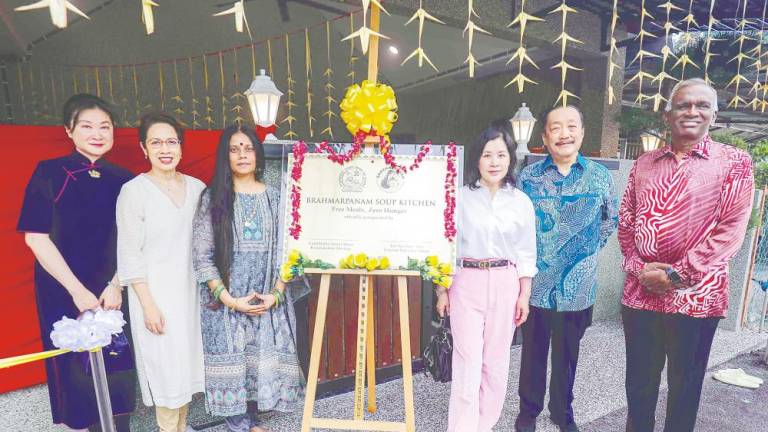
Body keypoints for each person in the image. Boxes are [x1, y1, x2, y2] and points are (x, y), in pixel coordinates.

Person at [618, 78, 754, 432]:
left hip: (697, 299)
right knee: (639, 388)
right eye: (683, 105)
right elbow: (626, 223)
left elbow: (730, 233)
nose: (692, 111)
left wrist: (675, 275)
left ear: (714, 114)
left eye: (701, 105)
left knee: (685, 388)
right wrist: (638, 268)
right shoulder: (645, 163)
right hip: (641, 296)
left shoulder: (734, 162)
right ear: (668, 114)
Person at [17, 93, 136, 431]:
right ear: (69, 130)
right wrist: (78, 291)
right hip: (65, 291)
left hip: (114, 290)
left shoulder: (126, 179)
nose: (97, 133)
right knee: (78, 379)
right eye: (87, 126)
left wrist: (116, 284)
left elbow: (134, 240)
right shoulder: (51, 172)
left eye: (105, 126)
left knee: (118, 376)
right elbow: (35, 237)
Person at [192, 125, 304, 432]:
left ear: (257, 154)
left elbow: (290, 252)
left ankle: (254, 419)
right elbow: (202, 257)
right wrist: (229, 300)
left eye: (248, 148)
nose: (242, 155)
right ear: (224, 156)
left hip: (269, 299)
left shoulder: (277, 197)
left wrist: (276, 294)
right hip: (227, 304)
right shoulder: (212, 198)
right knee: (234, 364)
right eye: (234, 149)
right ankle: (240, 424)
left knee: (261, 364)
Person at [515, 105, 618, 432]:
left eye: (571, 126)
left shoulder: (599, 176)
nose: (564, 133)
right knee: (532, 354)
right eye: (555, 128)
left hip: (579, 288)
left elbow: (609, 221)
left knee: (567, 355)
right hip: (536, 286)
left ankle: (562, 410)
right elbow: (517, 225)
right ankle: (528, 411)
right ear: (544, 137)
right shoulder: (529, 177)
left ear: (582, 133)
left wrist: (584, 255)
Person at [436, 120, 537, 432]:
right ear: (476, 159)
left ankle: (484, 425)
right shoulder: (460, 198)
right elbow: (445, 245)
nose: (494, 162)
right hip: (466, 282)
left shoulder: (521, 202)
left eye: (501, 155)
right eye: (487, 155)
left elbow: (526, 252)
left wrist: (525, 294)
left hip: (506, 283)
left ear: (510, 159)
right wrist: (442, 291)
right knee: (467, 362)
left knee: (495, 363)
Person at [116, 112, 206, 432]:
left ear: (181, 147)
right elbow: (128, 253)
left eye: (171, 141)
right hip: (154, 298)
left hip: (192, 296)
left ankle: (182, 428)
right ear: (144, 148)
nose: (164, 149)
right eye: (156, 142)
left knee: (185, 373)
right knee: (166, 375)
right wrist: (148, 305)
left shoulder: (197, 188)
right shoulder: (134, 191)